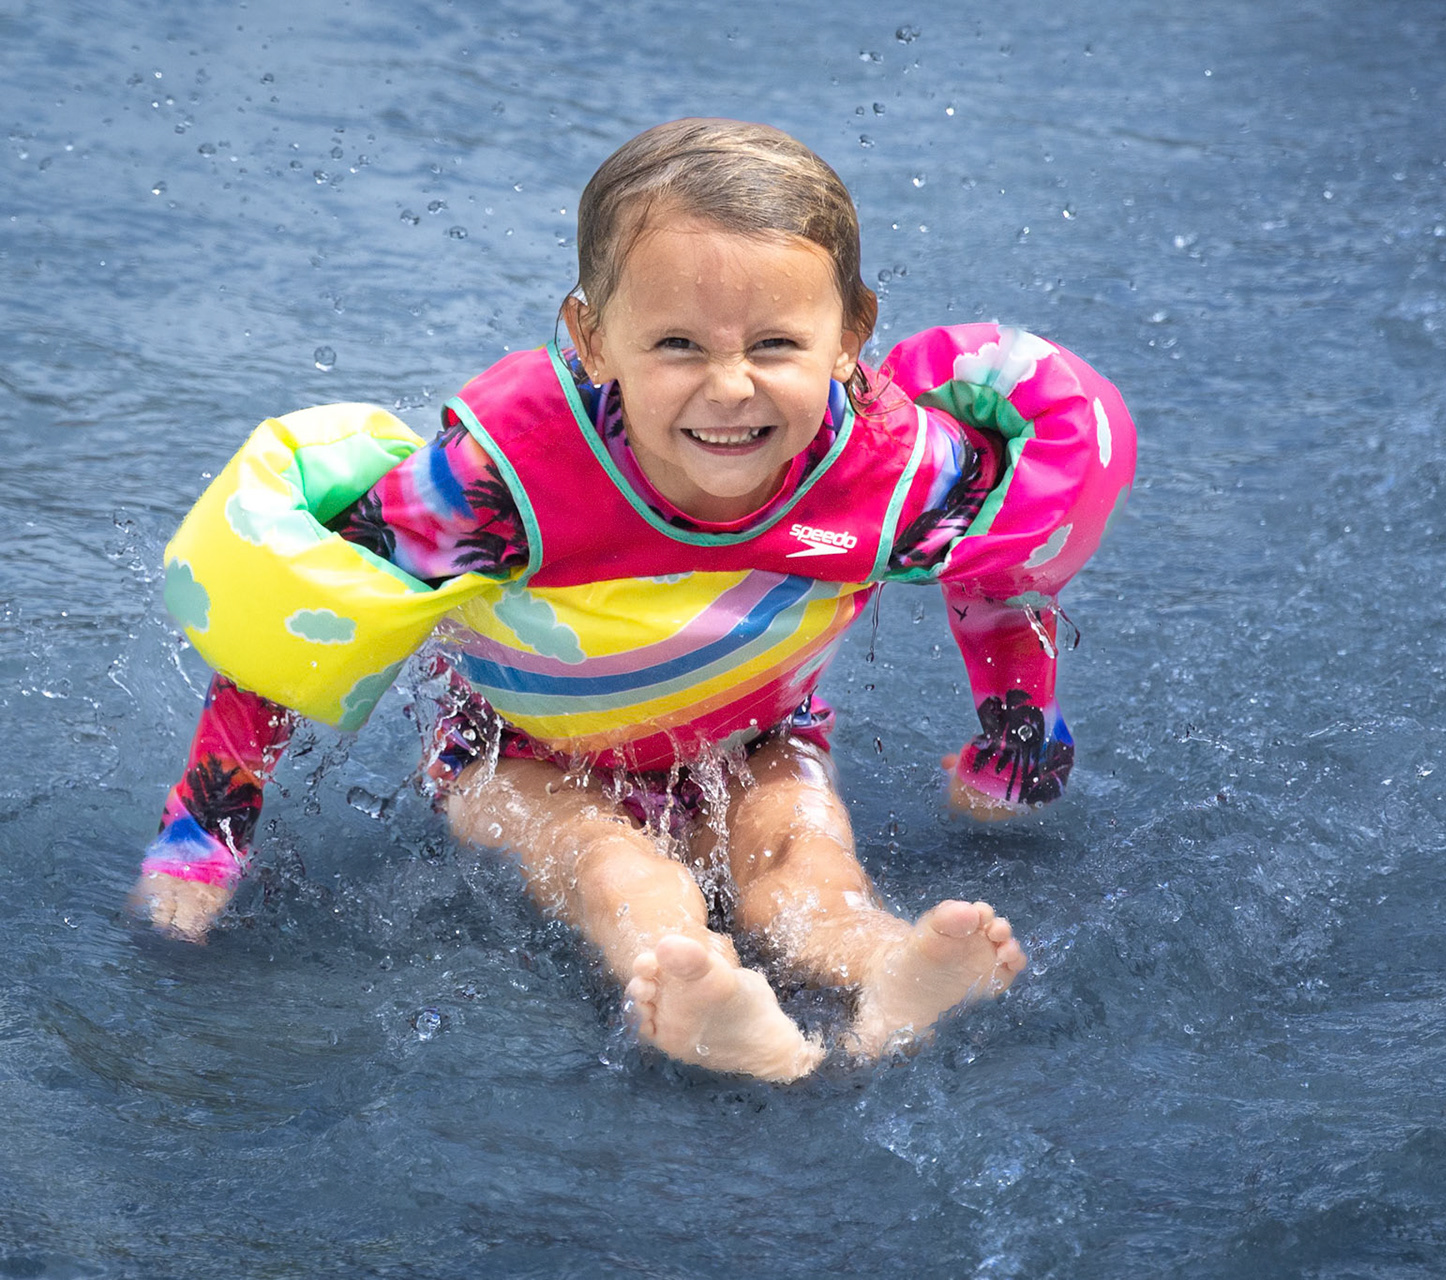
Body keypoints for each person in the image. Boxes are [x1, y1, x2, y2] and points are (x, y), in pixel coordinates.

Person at [129, 118, 1135, 1082]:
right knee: (613, 865)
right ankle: (702, 998)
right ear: (592, 337)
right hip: (515, 752)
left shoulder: (891, 462)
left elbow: (1003, 569)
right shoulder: (501, 478)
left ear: (852, 336)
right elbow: (298, 616)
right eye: (678, 346)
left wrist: (1017, 737)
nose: (731, 387)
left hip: (759, 737)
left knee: (806, 865)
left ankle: (889, 973)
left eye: (778, 343)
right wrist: (203, 833)